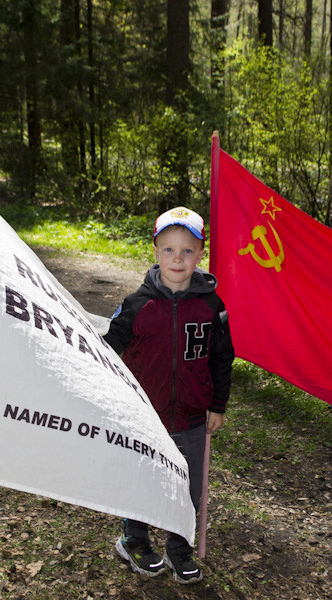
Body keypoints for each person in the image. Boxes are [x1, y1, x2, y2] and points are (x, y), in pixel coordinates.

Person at [103, 206, 234, 584]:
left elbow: (223, 358)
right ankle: (134, 538)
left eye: (188, 250)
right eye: (169, 250)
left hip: (192, 416)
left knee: (186, 486)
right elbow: (109, 350)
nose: (178, 259)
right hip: (144, 414)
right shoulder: (136, 305)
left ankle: (179, 546)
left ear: (200, 254)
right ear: (156, 252)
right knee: (142, 478)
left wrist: (218, 404)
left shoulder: (212, 307)